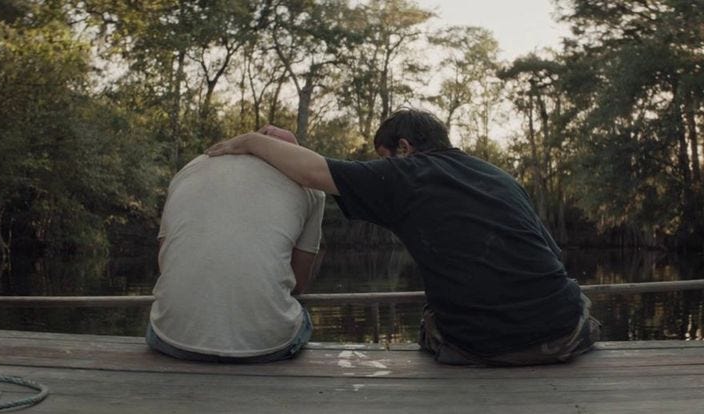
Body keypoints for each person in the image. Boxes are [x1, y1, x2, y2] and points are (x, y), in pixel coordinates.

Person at [205, 109, 600, 366]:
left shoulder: (404, 174)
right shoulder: (500, 177)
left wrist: (252, 141)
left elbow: (313, 173)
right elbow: (552, 256)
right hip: (565, 332)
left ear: (404, 148)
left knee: (431, 320)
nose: (380, 167)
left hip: (481, 346)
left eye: (382, 156)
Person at [147, 127, 325, 363]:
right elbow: (299, 283)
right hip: (268, 348)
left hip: (170, 340)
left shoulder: (188, 170)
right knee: (301, 318)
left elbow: (165, 261)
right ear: (293, 155)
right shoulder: (309, 183)